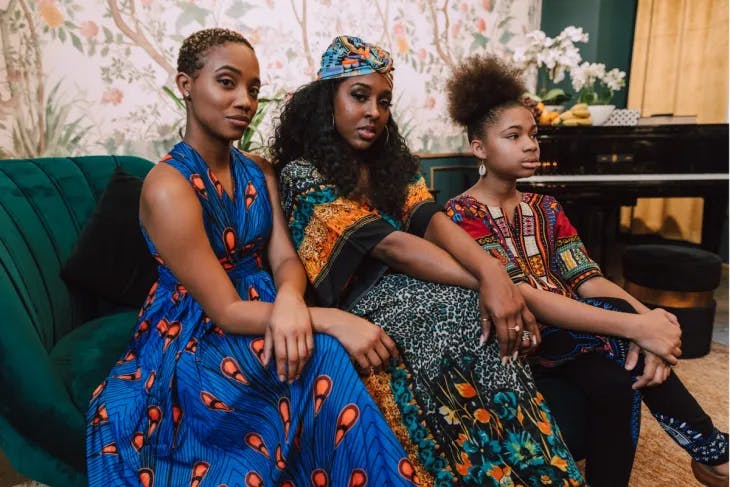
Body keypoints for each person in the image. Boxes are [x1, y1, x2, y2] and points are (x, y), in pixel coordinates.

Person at [86, 28, 421, 487]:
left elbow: (284, 257)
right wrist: (328, 318)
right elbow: (224, 309)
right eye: (227, 83)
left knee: (319, 350)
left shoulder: (259, 170)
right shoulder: (168, 187)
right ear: (186, 85)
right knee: (323, 348)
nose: (244, 100)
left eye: (253, 88)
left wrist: (290, 300)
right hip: (196, 330)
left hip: (266, 304)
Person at [273, 35, 587, 486]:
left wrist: (492, 274)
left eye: (383, 101)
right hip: (362, 302)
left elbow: (434, 222)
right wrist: (492, 285)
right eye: (359, 96)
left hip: (419, 285)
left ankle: (540, 473)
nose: (373, 112)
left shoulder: (390, 165)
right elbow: (391, 246)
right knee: (456, 319)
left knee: (474, 317)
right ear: (327, 100)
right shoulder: (301, 174)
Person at [443, 54, 729, 487]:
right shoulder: (461, 215)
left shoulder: (546, 207)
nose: (530, 145)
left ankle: (703, 458)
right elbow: (524, 295)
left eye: (534, 135)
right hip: (524, 336)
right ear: (479, 148)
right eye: (514, 135)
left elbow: (587, 278)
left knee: (618, 380)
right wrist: (635, 327)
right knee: (621, 342)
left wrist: (648, 321)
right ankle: (715, 453)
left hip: (578, 336)